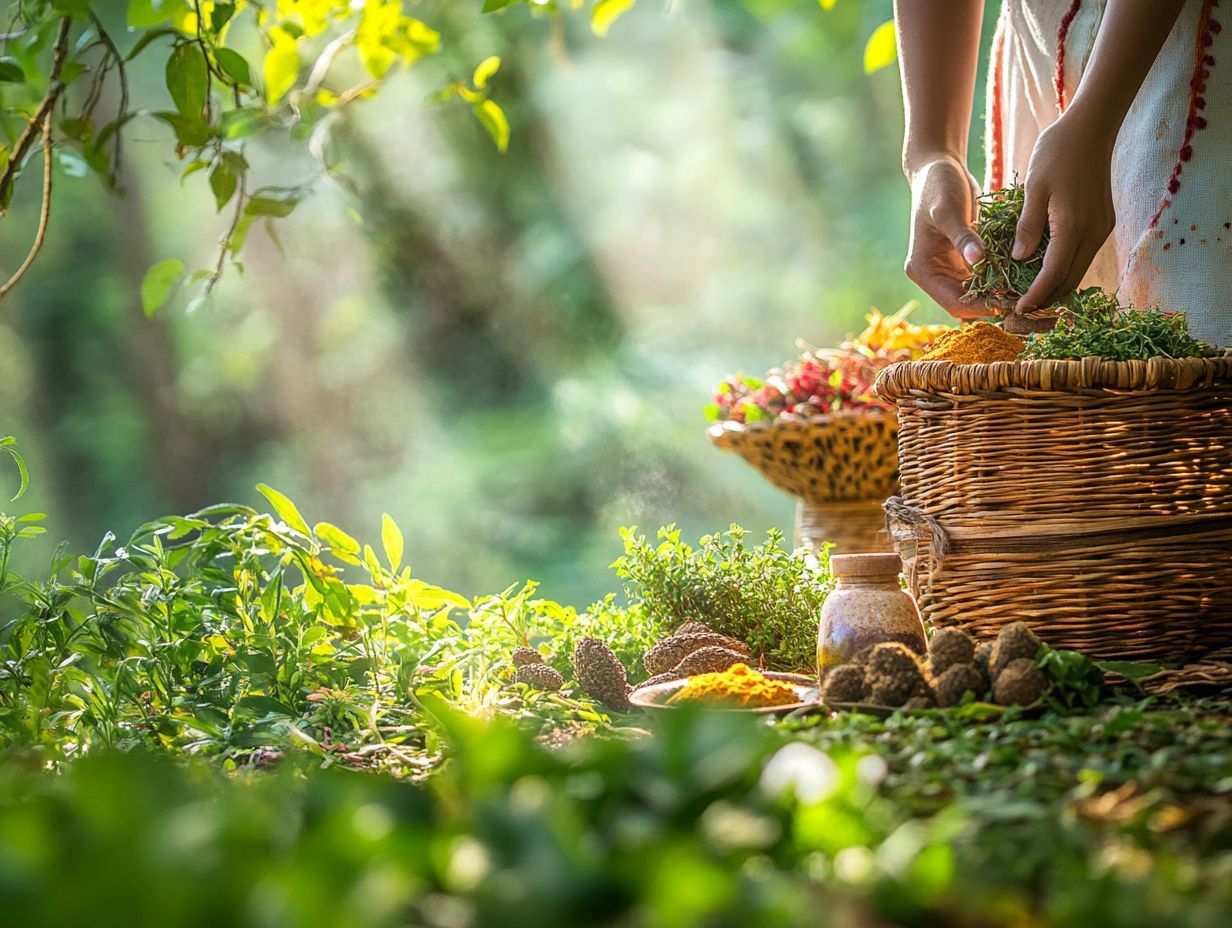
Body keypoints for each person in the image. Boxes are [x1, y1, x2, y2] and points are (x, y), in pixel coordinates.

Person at [897, 0, 1230, 345]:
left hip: (1173, 49)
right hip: (1040, 49)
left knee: (1191, 349)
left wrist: (1093, 118)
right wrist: (932, 150)